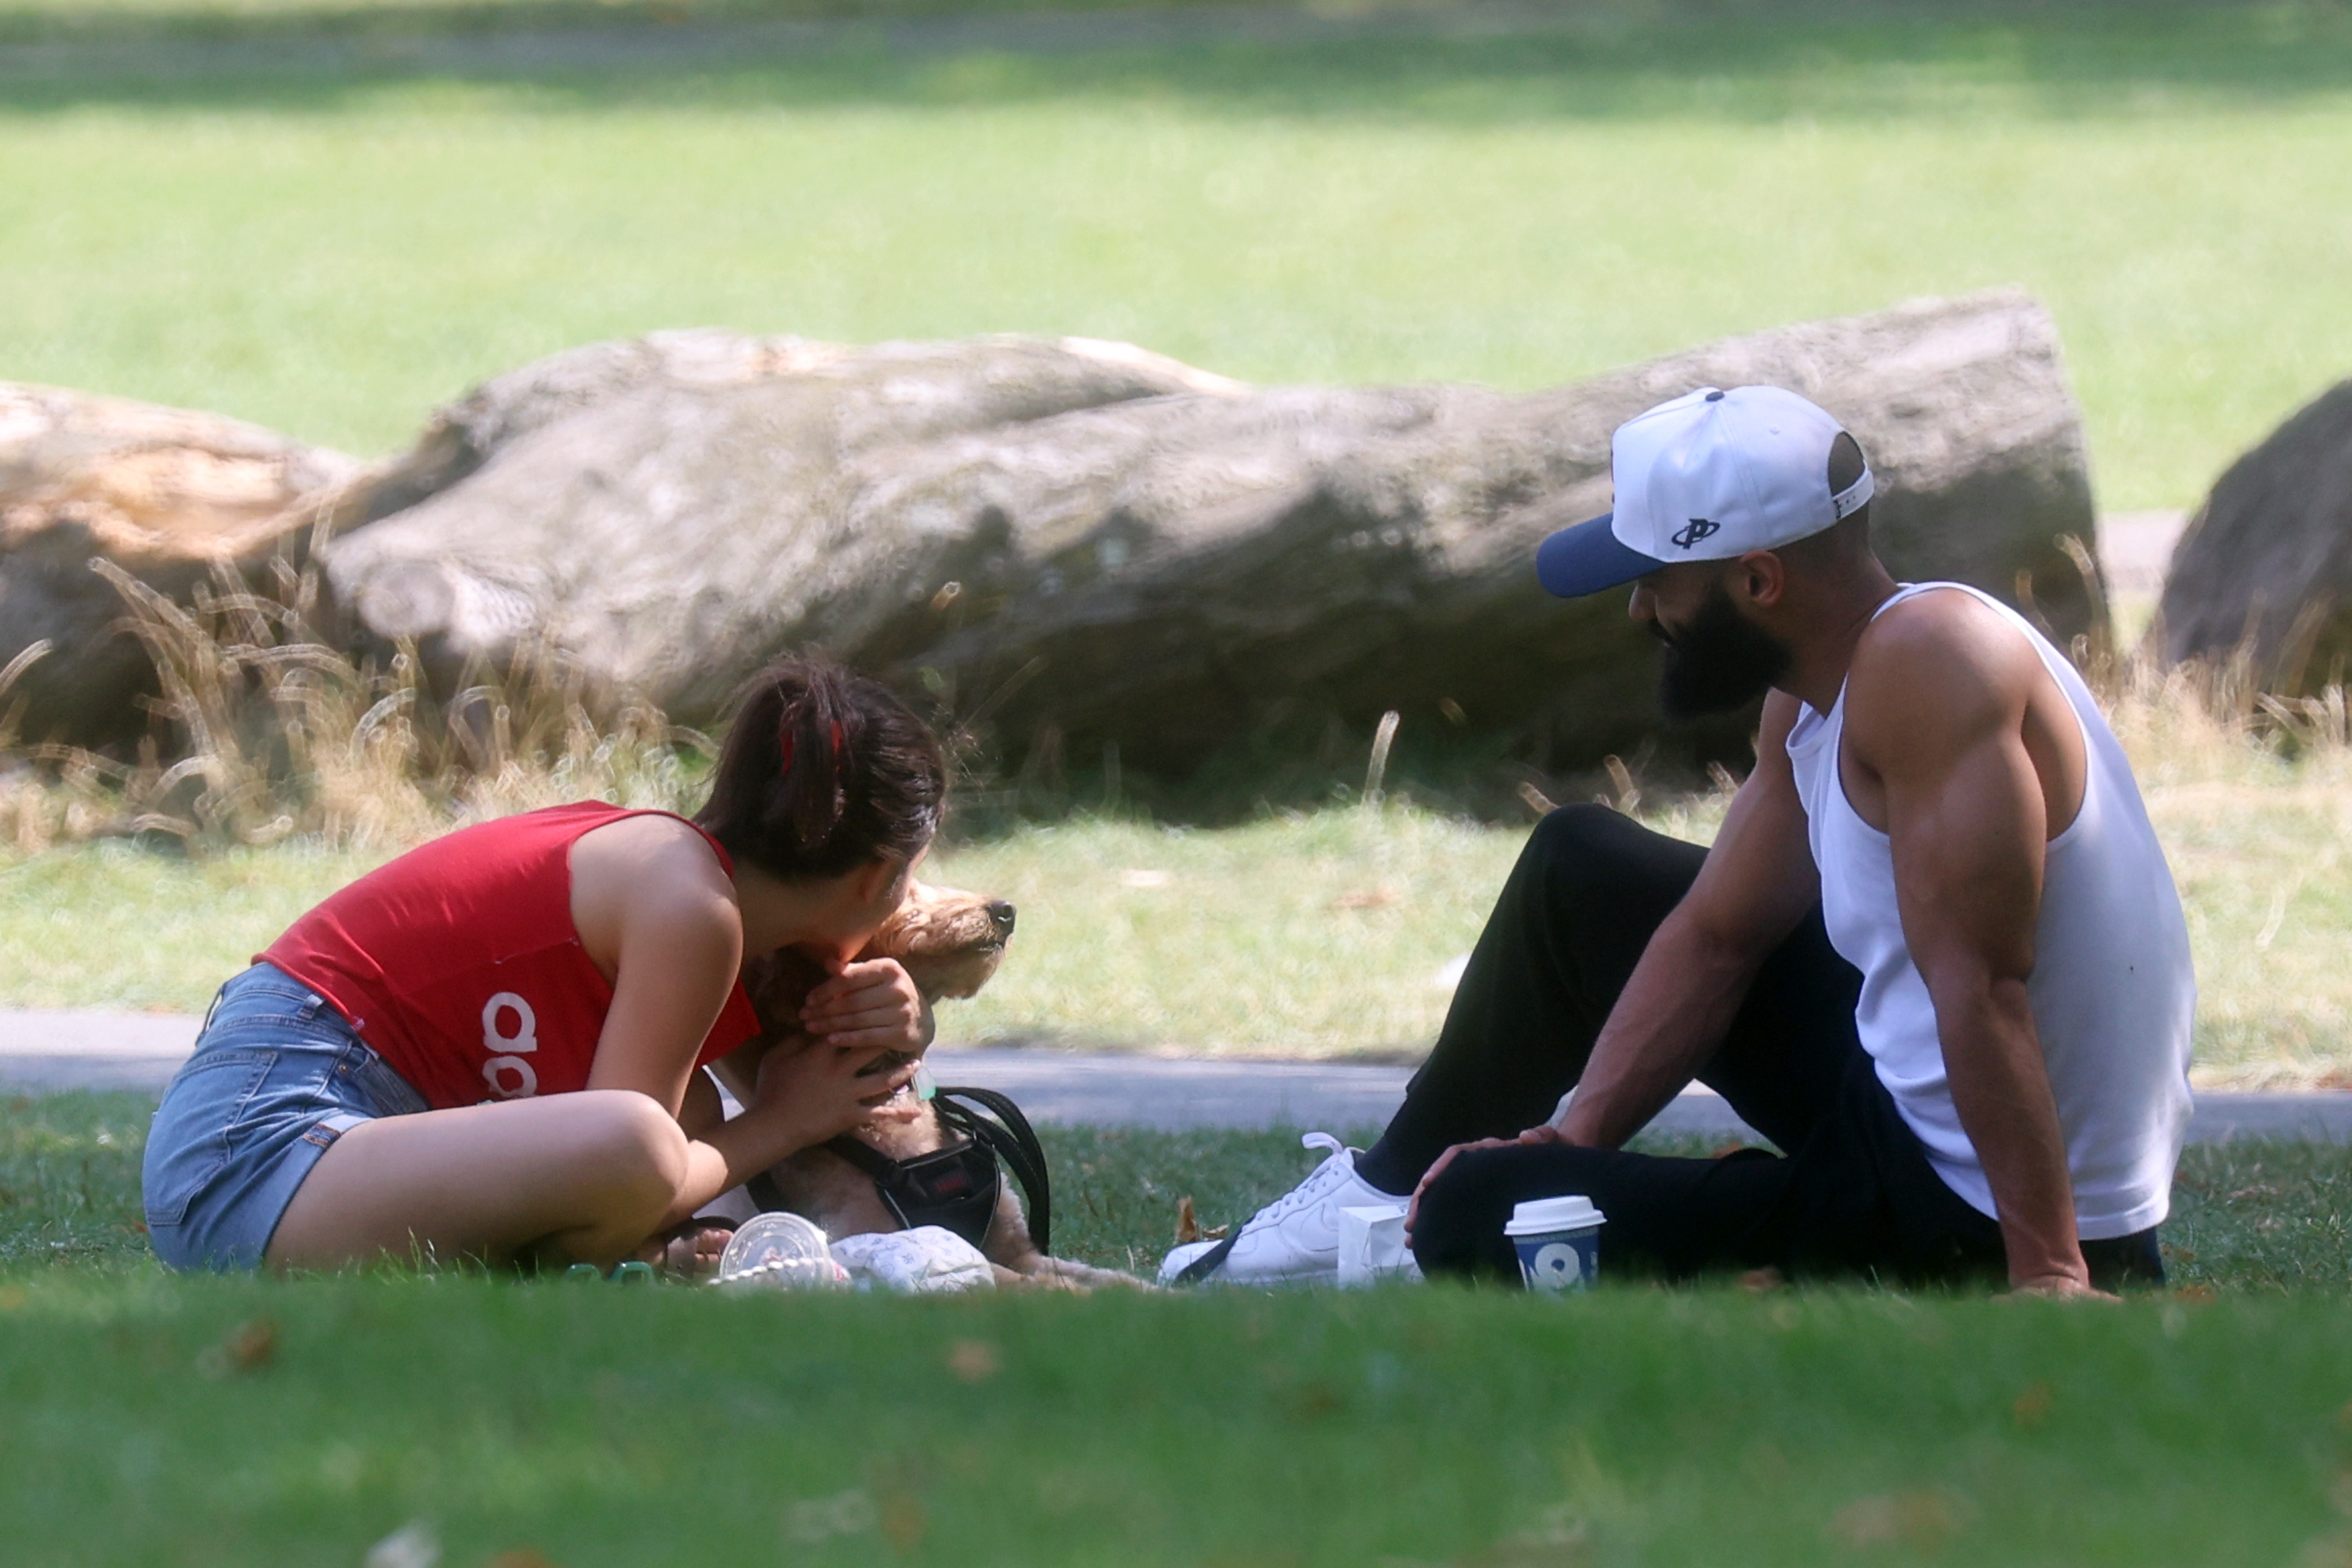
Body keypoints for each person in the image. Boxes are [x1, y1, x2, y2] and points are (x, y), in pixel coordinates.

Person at [1162, 385, 2194, 1296]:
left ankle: (1411, 1229)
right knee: (1582, 865)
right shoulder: (1819, 690)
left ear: (1759, 581)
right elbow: (1717, 938)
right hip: (1906, 1108)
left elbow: (1985, 985)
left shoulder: (1931, 664)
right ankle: (1383, 1190)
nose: (1638, 609)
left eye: (1659, 580)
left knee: (1475, 1215)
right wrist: (1574, 1145)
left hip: (1977, 1208)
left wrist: (2051, 1272)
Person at [142, 660, 947, 1274]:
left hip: (283, 1136)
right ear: (876, 877)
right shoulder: (691, 910)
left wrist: (908, 1019)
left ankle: (599, 1262)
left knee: (678, 1121)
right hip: (259, 1150)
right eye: (913, 877)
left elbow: (782, 1072)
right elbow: (631, 1167)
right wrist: (784, 1122)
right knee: (639, 1141)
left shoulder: (677, 874)